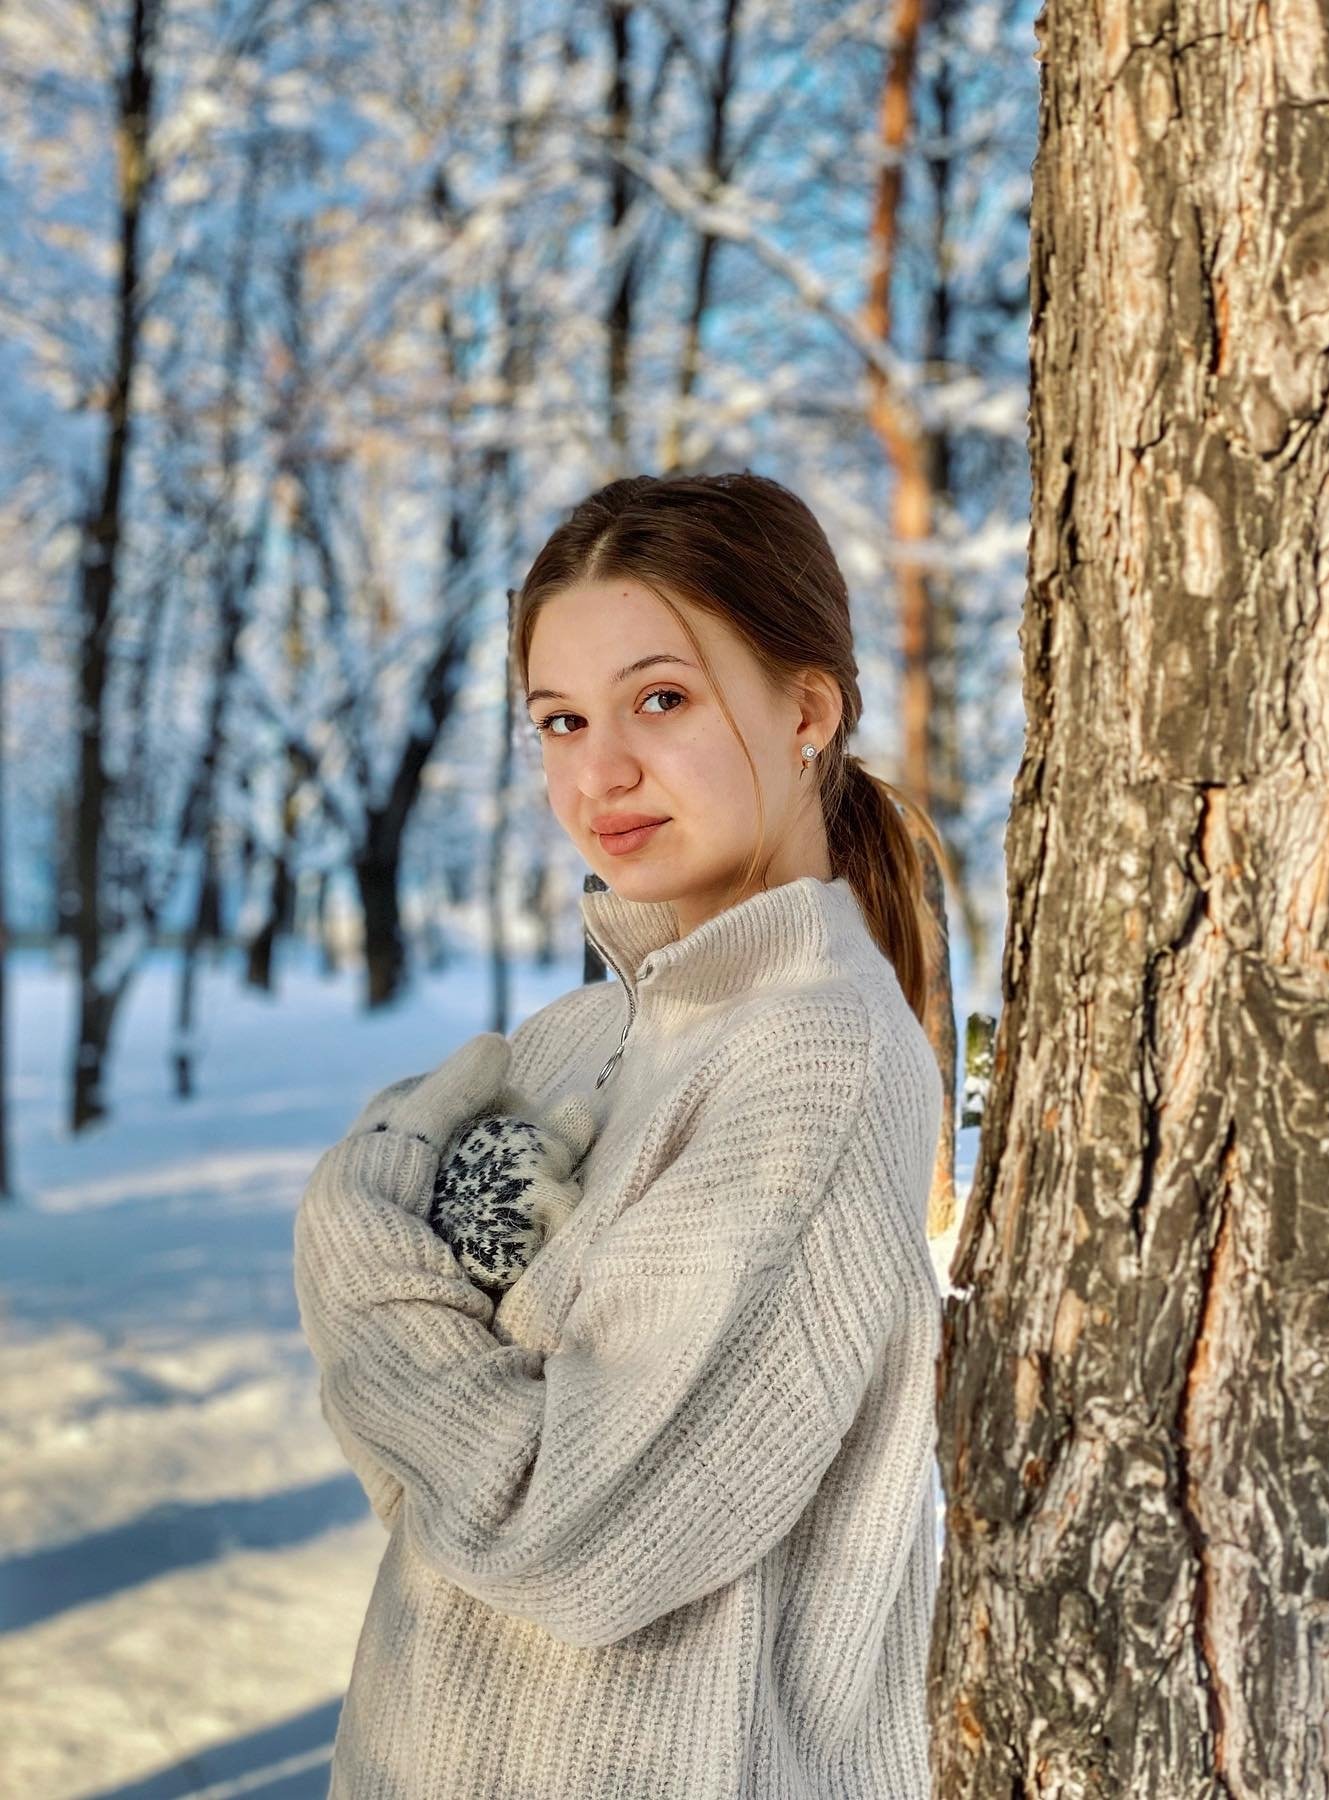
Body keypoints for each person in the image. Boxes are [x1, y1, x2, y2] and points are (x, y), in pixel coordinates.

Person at [292, 469, 955, 1799]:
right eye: (560, 720)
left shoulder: (813, 1059)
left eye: (661, 699)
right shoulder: (578, 1040)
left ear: (807, 709)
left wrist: (351, 1242)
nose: (599, 773)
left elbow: (563, 1531)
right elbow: (427, 1487)